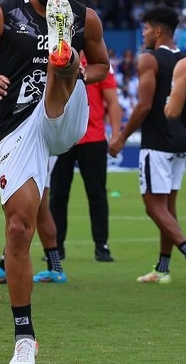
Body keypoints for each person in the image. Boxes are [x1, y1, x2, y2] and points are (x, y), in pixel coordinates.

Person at [0, 0, 109, 363]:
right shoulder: (1, 14)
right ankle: (25, 338)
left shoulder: (86, 17)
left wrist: (80, 73)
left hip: (65, 114)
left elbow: (102, 65)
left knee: (64, 68)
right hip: (19, 126)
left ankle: (63, 60)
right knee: (18, 229)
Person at [109, 6, 186, 287]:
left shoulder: (149, 59)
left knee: (154, 207)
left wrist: (121, 138)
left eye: (145, 28)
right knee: (168, 209)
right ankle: (163, 268)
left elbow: (144, 105)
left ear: (158, 30)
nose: (142, 33)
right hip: (180, 139)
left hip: (156, 141)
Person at [49, 56, 122, 262]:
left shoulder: (98, 64)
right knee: (58, 194)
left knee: (97, 194)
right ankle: (56, 247)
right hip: (62, 136)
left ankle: (101, 245)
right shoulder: (57, 57)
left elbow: (112, 102)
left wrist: (116, 134)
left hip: (93, 138)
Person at [0, 156, 67, 286]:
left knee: (23, 206)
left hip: (33, 151)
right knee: (40, 207)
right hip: (37, 150)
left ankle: (5, 266)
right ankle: (55, 267)